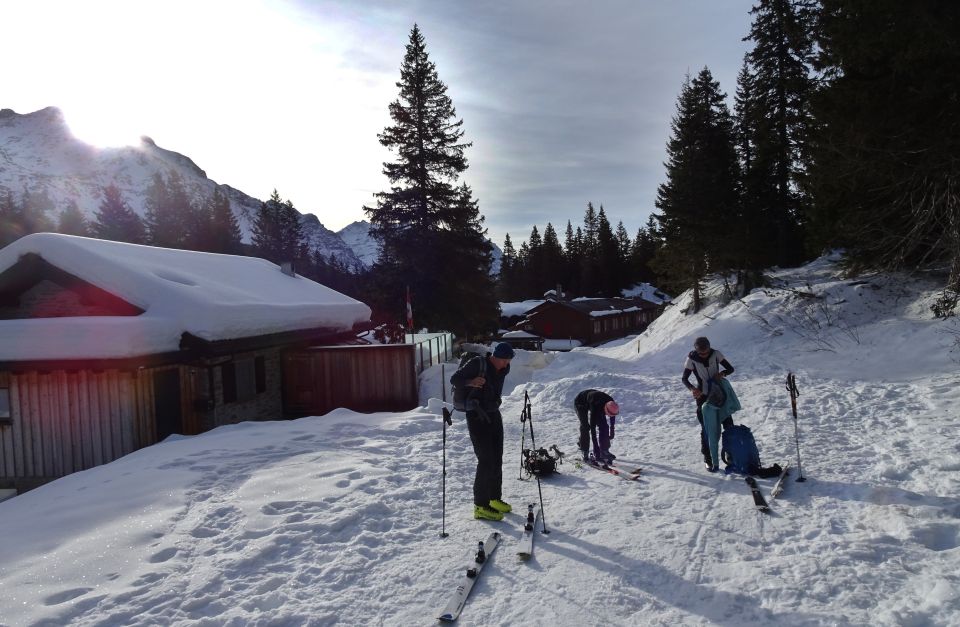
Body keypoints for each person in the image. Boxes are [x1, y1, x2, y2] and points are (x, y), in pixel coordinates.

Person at [449, 342, 515, 521]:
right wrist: (471, 382)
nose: (506, 364)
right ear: (495, 357)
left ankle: (494, 498)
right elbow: (454, 380)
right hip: (476, 415)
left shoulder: (504, 369)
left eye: (508, 361)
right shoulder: (477, 364)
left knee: (497, 457)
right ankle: (480, 505)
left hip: (493, 413)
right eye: (504, 360)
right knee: (485, 459)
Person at [682, 337, 735, 471]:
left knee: (728, 424)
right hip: (703, 397)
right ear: (696, 350)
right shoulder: (691, 359)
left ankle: (730, 453)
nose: (704, 355)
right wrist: (692, 389)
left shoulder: (716, 354)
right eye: (701, 353)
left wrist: (722, 374)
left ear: (709, 348)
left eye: (706, 352)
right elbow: (684, 379)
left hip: (719, 395)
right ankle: (708, 457)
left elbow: (730, 369)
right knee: (706, 429)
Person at [574, 389, 620, 465]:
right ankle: (584, 450)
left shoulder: (612, 404)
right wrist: (596, 449)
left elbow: (612, 416)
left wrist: (612, 432)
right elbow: (593, 430)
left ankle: (604, 451)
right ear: (605, 409)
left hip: (595, 399)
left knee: (604, 426)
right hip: (580, 402)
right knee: (585, 426)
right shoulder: (595, 408)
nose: (608, 416)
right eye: (607, 414)